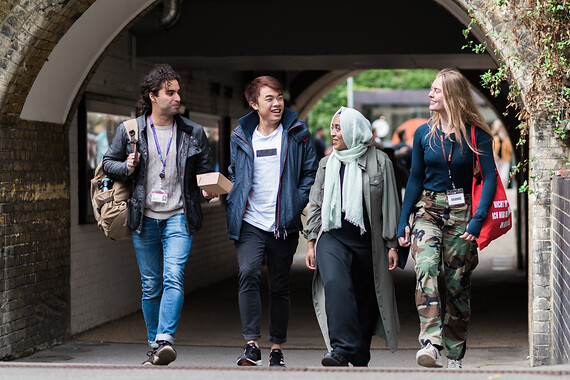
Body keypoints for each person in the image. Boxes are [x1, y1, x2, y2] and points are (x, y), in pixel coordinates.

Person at [102, 64, 217, 366]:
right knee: (151, 283)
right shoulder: (130, 131)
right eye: (171, 92)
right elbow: (107, 164)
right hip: (144, 216)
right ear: (153, 96)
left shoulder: (193, 132)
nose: (177, 97)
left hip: (180, 215)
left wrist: (208, 188)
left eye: (178, 91)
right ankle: (155, 345)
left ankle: (165, 338)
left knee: (173, 276)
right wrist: (126, 165)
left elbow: (206, 171)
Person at [397, 68, 497, 369]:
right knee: (425, 266)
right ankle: (431, 342)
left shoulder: (476, 134)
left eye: (436, 90)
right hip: (428, 208)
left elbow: (490, 178)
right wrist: (403, 220)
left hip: (463, 212)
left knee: (457, 284)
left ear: (452, 95)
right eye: (430, 89)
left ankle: (454, 352)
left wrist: (477, 221)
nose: (430, 94)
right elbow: (415, 178)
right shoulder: (423, 134)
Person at [225, 76, 318, 367]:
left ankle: (276, 346)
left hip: (282, 222)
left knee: (279, 285)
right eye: (269, 98)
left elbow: (310, 174)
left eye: (279, 97)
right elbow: (234, 170)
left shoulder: (297, 133)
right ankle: (251, 344)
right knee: (249, 273)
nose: (277, 103)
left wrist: (296, 203)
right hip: (249, 220)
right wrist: (223, 187)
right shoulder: (240, 136)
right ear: (254, 104)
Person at [304, 107, 401, 367]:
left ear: (353, 131)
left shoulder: (380, 161)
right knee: (336, 284)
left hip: (368, 242)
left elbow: (391, 204)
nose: (333, 133)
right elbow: (315, 203)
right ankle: (341, 349)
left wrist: (392, 243)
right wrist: (312, 241)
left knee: (365, 298)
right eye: (333, 127)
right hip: (332, 237)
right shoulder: (327, 163)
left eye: (339, 128)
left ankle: (358, 354)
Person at [491, 120, 513, 187]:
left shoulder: (506, 137)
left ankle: (504, 191)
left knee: (504, 177)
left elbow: (510, 149)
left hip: (505, 159)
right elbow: (491, 149)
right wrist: (494, 155)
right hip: (496, 160)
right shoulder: (494, 137)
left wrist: (505, 139)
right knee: (496, 177)